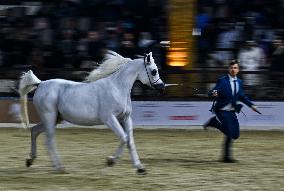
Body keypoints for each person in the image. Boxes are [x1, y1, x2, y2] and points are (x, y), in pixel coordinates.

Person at [203, 59, 258, 163]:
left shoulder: (240, 82)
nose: (233, 69)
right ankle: (226, 156)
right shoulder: (222, 80)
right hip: (222, 111)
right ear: (229, 69)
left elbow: (241, 96)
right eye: (231, 67)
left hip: (232, 112)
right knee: (230, 133)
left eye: (235, 68)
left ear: (238, 70)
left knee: (235, 135)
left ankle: (214, 123)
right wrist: (213, 93)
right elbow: (213, 91)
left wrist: (251, 105)